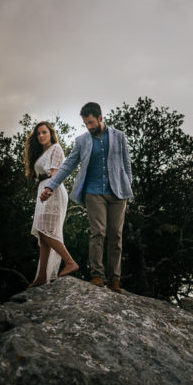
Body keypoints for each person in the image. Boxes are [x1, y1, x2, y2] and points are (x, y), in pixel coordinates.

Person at [42, 102, 133, 292]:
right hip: (93, 192)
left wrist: (127, 186)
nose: (88, 127)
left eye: (91, 122)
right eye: (85, 123)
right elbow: (68, 165)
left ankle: (114, 278)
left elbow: (127, 164)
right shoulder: (82, 140)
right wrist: (51, 185)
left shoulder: (119, 136)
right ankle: (97, 275)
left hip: (117, 193)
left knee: (116, 235)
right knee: (98, 232)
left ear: (100, 118)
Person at [24, 121, 79, 287]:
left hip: (52, 189)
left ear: (51, 134)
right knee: (42, 234)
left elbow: (55, 173)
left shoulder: (56, 148)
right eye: (38, 133)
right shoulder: (41, 153)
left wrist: (49, 189)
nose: (41, 135)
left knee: (45, 230)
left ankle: (70, 262)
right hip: (43, 188)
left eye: (44, 132)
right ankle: (42, 276)